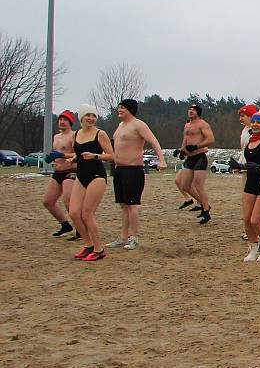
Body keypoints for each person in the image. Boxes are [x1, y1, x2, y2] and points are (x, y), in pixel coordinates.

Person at [107, 99, 168, 251]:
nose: (119, 110)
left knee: (132, 204)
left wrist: (161, 160)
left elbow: (154, 141)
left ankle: (134, 237)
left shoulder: (138, 124)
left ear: (130, 109)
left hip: (133, 169)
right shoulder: (121, 125)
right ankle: (123, 236)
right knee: (123, 204)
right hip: (119, 169)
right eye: (119, 107)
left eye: (122, 108)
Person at [65, 104, 115, 262]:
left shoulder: (100, 134)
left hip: (97, 176)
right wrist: (72, 158)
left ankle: (99, 249)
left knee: (87, 214)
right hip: (81, 175)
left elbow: (111, 156)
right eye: (88, 116)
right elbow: (78, 154)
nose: (91, 119)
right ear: (81, 118)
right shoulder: (76, 134)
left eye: (94, 116)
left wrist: (95, 156)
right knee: (74, 212)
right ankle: (88, 245)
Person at [233, 111, 260, 262]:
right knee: (246, 218)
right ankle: (253, 247)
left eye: (259, 122)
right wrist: (239, 166)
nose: (255, 125)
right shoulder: (249, 140)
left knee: (256, 219)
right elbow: (248, 162)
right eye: (254, 122)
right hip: (251, 181)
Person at [174, 103, 215, 223]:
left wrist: (197, 146)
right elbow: (185, 139)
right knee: (185, 186)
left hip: (199, 157)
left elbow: (211, 139)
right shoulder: (187, 125)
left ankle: (206, 212)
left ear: (198, 112)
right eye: (190, 109)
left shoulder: (203, 124)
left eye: (194, 110)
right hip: (189, 158)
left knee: (199, 185)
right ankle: (204, 204)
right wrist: (182, 150)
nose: (191, 111)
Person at [43, 110, 77, 237]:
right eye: (60, 119)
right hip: (57, 172)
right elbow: (56, 152)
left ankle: (80, 229)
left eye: (65, 120)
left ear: (70, 123)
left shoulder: (73, 136)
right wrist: (52, 157)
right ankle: (65, 225)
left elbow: (77, 154)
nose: (62, 122)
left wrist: (63, 155)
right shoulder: (56, 137)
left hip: (70, 171)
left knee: (68, 201)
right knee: (47, 201)